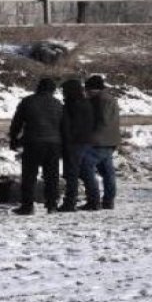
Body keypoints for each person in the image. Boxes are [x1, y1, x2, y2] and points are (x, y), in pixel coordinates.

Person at [9, 78, 64, 215]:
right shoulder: (58, 104)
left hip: (33, 142)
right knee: (52, 176)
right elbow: (63, 126)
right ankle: (52, 204)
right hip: (53, 144)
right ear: (52, 90)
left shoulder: (27, 101)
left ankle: (27, 206)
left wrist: (14, 139)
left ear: (38, 87)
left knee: (29, 175)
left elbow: (17, 122)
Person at [83, 75, 121, 210]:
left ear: (93, 89)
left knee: (85, 168)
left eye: (87, 90)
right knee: (108, 172)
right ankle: (109, 201)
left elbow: (100, 120)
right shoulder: (111, 99)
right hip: (111, 141)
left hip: (97, 141)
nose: (85, 93)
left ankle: (93, 200)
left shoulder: (98, 100)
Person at [59, 79, 94, 212]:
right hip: (86, 141)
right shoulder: (86, 103)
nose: (63, 93)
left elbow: (68, 126)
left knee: (71, 174)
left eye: (64, 91)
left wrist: (66, 143)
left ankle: (70, 202)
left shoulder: (71, 105)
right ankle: (94, 199)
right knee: (86, 172)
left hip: (74, 143)